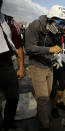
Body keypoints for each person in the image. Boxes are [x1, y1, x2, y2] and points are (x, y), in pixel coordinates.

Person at [25, 5, 65, 130]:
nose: (64, 27)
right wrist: (49, 49)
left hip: (49, 65)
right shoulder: (35, 26)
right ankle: (44, 124)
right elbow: (28, 48)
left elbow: (58, 46)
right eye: (62, 23)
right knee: (43, 97)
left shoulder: (56, 31)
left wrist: (58, 55)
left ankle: (42, 113)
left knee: (50, 92)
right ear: (52, 19)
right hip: (37, 66)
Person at [0, 0, 25, 130]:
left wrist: (21, 67)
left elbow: (19, 45)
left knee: (13, 97)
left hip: (6, 64)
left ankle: (8, 125)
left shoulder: (9, 21)